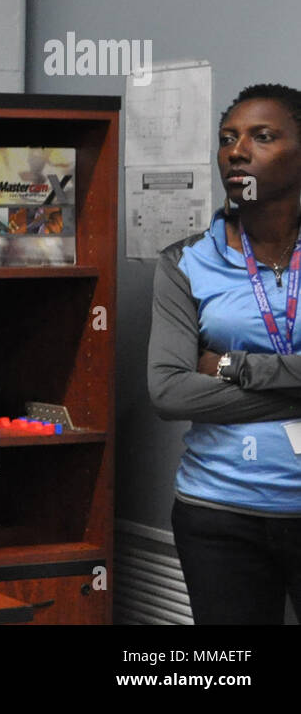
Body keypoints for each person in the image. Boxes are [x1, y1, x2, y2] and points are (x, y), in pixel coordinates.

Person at [148, 83, 301, 624]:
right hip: (218, 513)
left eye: (262, 137)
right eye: (227, 138)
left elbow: (201, 382)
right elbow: (168, 390)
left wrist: (234, 366)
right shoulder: (186, 261)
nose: (237, 151)